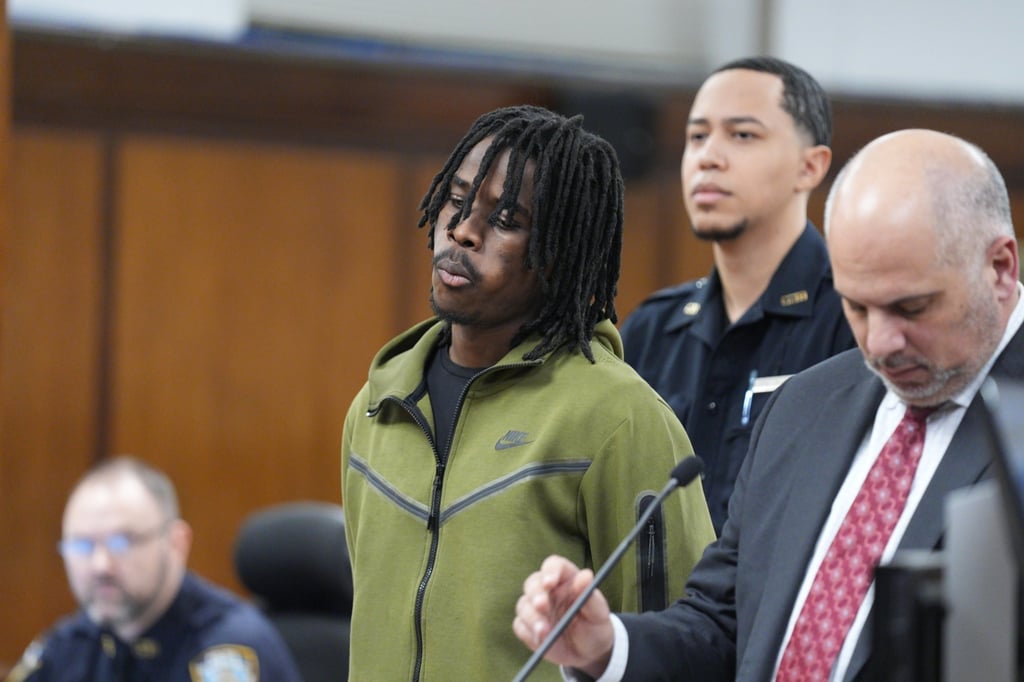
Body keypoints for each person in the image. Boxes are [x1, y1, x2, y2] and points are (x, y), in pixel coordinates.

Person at [514, 128, 1024, 681]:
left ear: (999, 268)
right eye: (856, 306)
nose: (879, 343)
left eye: (911, 307)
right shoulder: (803, 408)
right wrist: (604, 646)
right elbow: (721, 626)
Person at [341, 104, 715, 681]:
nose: (463, 229)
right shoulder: (378, 404)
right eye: (457, 199)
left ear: (559, 255)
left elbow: (680, 649)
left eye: (507, 219)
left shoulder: (620, 418)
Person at [620, 56, 856, 532]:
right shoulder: (652, 329)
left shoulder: (856, 318)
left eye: (742, 135)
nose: (709, 156)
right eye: (697, 136)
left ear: (810, 167)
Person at [5, 456, 302, 682]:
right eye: (81, 546)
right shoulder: (68, 645)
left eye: (122, 542)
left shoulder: (227, 651)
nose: (100, 565)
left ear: (176, 543)